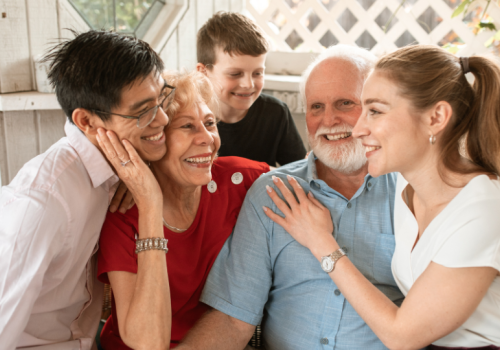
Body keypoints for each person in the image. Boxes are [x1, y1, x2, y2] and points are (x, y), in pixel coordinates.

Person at [264, 45, 500, 349]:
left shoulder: (482, 210)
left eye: (375, 111)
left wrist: (321, 242)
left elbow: (403, 335)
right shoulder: (407, 186)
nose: (359, 128)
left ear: (436, 117)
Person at [177, 44, 404, 350]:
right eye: (316, 107)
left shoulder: (410, 192)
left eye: (345, 103)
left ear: (377, 108)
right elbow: (233, 319)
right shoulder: (272, 192)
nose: (329, 120)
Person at [0, 30, 169, 350]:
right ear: (87, 123)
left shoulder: (120, 168)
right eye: (143, 111)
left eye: (161, 100)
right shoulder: (42, 203)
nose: (163, 118)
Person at [96, 70, 271, 350]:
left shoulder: (239, 180)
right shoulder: (123, 215)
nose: (207, 139)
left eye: (210, 123)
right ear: (155, 139)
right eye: (187, 126)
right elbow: (146, 342)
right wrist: (150, 205)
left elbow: (310, 179)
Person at [196, 11, 307, 166]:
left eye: (258, 73)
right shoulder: (189, 117)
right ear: (203, 72)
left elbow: (299, 171)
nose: (248, 84)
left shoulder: (276, 113)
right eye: (235, 74)